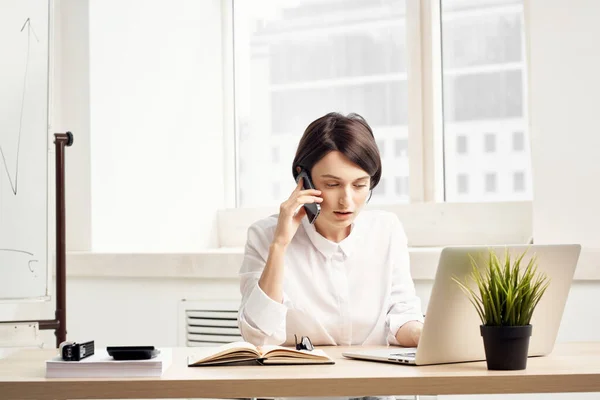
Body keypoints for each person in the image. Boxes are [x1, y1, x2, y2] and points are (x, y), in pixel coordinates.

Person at [238, 112, 424, 351]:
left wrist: (424, 334)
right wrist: (280, 246)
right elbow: (258, 337)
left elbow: (401, 318)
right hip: (300, 385)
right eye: (332, 185)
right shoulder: (265, 236)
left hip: (373, 382)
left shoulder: (386, 230)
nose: (347, 200)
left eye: (359, 185)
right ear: (303, 179)